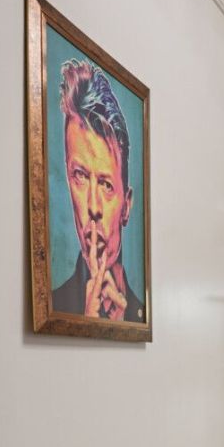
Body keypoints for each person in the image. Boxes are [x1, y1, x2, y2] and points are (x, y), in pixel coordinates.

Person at [51, 59, 145, 322]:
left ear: (126, 205)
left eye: (106, 184)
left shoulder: (141, 313)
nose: (93, 206)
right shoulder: (54, 304)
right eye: (80, 176)